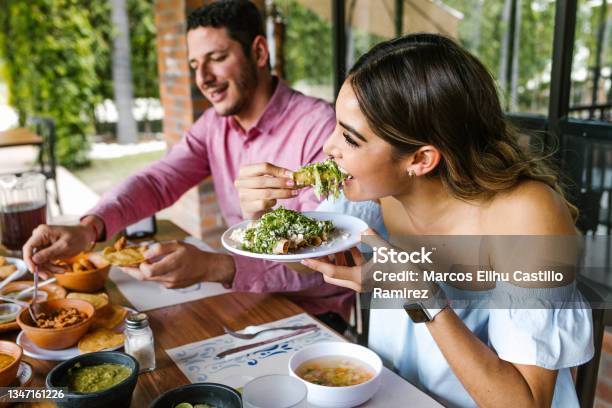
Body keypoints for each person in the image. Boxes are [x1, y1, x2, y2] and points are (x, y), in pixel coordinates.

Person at [253, 34, 594, 407]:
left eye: (350, 139)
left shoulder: (527, 216)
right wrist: (262, 217)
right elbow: (309, 259)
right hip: (398, 393)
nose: (328, 148)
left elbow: (524, 403)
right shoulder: (377, 189)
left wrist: (420, 296)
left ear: (421, 160)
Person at [22, 0, 353, 331]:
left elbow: (325, 264)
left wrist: (215, 267)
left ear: (260, 52)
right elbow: (159, 181)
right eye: (195, 65)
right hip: (243, 299)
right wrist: (89, 228)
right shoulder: (213, 125)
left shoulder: (320, 129)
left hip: (314, 316)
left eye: (217, 58)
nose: (203, 79)